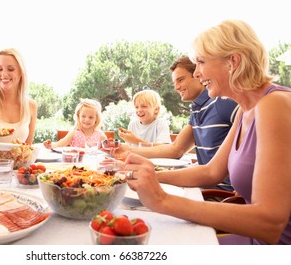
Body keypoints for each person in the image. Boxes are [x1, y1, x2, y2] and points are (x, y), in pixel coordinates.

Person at [122, 20, 291, 245]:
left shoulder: (274, 104)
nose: (198, 73)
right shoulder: (245, 110)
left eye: (200, 62)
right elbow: (211, 172)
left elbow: (270, 223)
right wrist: (149, 178)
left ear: (233, 61)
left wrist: (162, 200)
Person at [111, 55, 239, 191]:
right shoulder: (197, 109)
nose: (177, 87)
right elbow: (176, 149)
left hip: (220, 194)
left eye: (181, 80)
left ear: (198, 74)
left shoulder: (222, 102)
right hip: (203, 188)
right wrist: (129, 151)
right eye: (174, 83)